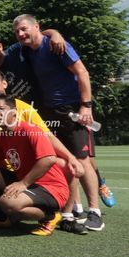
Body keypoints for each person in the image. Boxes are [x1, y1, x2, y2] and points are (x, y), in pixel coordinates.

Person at [14, 14, 104, 231]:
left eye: (24, 29)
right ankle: (74, 210)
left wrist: (86, 105)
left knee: (82, 160)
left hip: (72, 109)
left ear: (37, 26)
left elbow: (82, 72)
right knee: (63, 159)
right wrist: (53, 32)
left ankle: (95, 212)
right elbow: (45, 33)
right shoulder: (28, 50)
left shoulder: (57, 45)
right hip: (48, 112)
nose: (20, 34)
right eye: (16, 31)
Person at [0, 95, 71, 236]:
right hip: (28, 183)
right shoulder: (2, 136)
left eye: (1, 109)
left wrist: (23, 184)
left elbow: (49, 159)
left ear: (14, 112)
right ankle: (1, 218)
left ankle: (50, 216)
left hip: (51, 187)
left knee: (8, 202)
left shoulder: (30, 129)